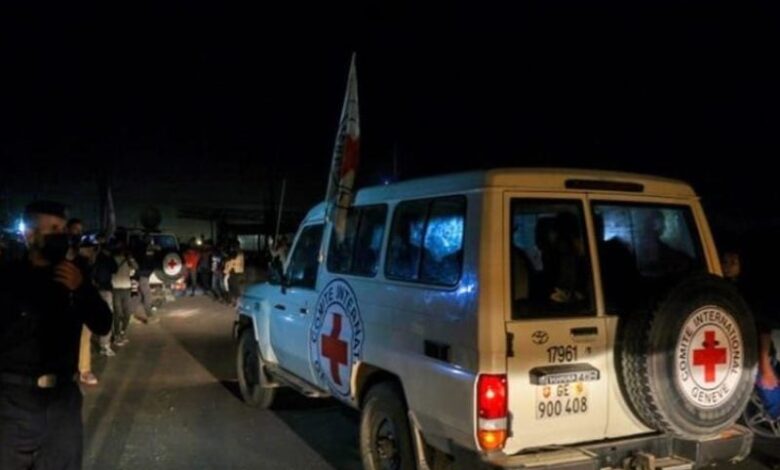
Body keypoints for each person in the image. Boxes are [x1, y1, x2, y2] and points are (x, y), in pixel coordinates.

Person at [0, 200, 112, 469]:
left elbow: (103, 324)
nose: (61, 235)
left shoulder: (74, 276)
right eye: (52, 229)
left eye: (63, 229)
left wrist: (81, 289)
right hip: (13, 403)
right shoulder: (9, 277)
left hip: (63, 404)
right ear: (30, 235)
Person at [67, 218, 98, 386]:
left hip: (82, 298)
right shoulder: (60, 249)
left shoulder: (84, 251)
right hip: (64, 300)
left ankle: (84, 370)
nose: (77, 233)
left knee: (85, 334)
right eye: (74, 230)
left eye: (80, 231)